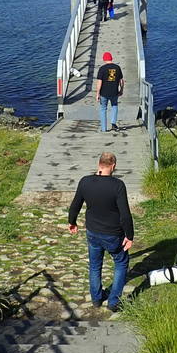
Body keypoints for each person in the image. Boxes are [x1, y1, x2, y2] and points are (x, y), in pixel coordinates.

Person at [68, 152, 134, 311]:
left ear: (99, 164)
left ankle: (96, 299)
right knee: (120, 263)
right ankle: (113, 302)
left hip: (92, 232)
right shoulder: (118, 185)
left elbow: (75, 205)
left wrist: (72, 222)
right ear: (113, 166)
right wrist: (129, 236)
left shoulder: (85, 182)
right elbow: (125, 214)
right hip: (112, 234)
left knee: (95, 266)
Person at [95, 51, 123, 132]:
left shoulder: (102, 69)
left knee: (103, 109)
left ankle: (104, 129)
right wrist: (121, 90)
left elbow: (99, 82)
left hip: (104, 93)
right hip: (114, 92)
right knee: (114, 105)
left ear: (104, 59)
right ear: (111, 58)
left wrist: (97, 93)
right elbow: (121, 81)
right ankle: (113, 122)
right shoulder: (117, 68)